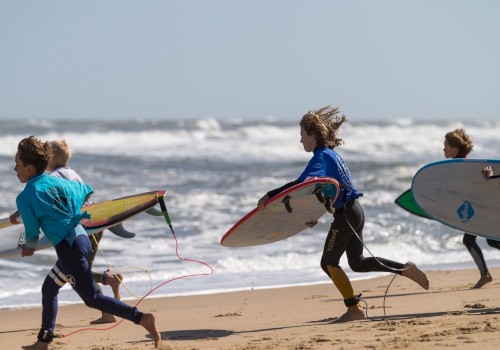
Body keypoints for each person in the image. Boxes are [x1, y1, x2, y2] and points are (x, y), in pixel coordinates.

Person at [257, 106, 429, 323]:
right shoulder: (331, 155)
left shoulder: (320, 157)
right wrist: (315, 214)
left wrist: (270, 195)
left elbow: (302, 185)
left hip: (346, 214)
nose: (301, 141)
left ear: (312, 135)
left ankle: (354, 308)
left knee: (328, 262)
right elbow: (326, 191)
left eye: (302, 135)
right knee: (357, 262)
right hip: (354, 210)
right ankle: (404, 269)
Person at [14, 136, 161, 350]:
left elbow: (32, 235)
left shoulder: (26, 197)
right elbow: (85, 190)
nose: (14, 169)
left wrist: (27, 250)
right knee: (49, 288)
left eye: (17, 165)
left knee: (91, 298)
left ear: (28, 168)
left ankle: (141, 318)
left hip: (68, 248)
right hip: (82, 237)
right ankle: (43, 341)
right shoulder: (58, 182)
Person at [10, 139, 123, 324]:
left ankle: (118, 302)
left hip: (73, 233)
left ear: (50, 159)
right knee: (77, 273)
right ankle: (108, 288)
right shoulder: (71, 173)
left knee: (72, 278)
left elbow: (42, 200)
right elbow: (84, 193)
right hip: (91, 226)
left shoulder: (53, 177)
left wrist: (19, 214)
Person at [444, 128, 500, 289]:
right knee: (492, 240)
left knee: (469, 239)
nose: (443, 149)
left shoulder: (464, 167)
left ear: (454, 148)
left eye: (445, 145)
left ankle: (485, 275)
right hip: (478, 207)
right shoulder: (461, 166)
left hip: (478, 208)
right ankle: (485, 275)